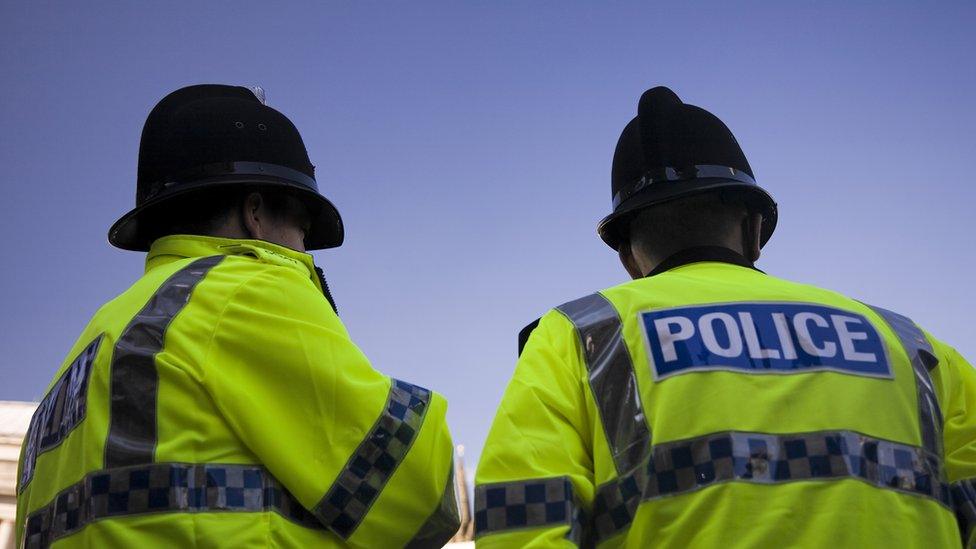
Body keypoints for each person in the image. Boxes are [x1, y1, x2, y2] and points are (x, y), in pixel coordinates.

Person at [474, 86, 976, 547]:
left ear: (627, 256)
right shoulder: (911, 345)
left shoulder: (580, 336)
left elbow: (521, 522)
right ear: (755, 229)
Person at [15, 84, 459, 548]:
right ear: (256, 214)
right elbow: (419, 496)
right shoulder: (243, 290)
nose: (304, 249)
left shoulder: (86, 355)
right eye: (303, 229)